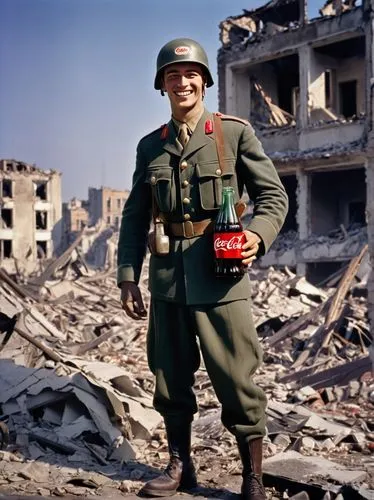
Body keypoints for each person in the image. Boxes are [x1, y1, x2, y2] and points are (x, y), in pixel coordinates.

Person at [117, 38, 288, 500]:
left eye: (191, 73)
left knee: (237, 380)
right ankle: (179, 466)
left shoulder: (233, 134)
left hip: (222, 279)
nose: (182, 82)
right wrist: (128, 276)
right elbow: (134, 216)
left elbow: (274, 197)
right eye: (172, 76)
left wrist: (256, 236)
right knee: (169, 376)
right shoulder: (150, 147)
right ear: (162, 86)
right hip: (169, 281)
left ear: (204, 81)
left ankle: (252, 475)